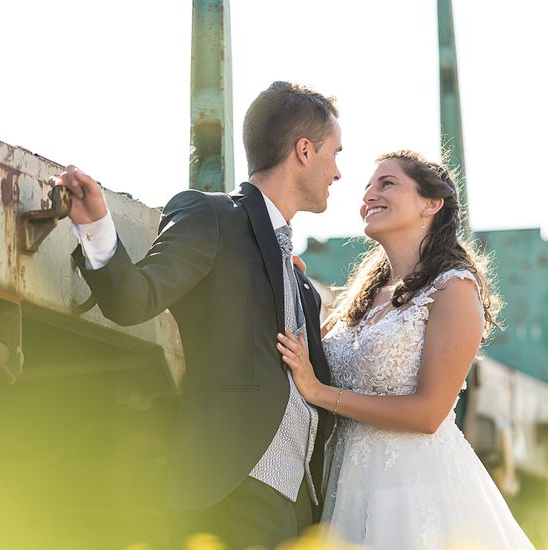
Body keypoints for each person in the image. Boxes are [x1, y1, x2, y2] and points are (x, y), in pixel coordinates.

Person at [55, 81, 342, 549]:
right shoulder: (210, 217)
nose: (339, 171)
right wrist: (97, 229)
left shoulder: (300, 279)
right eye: (335, 153)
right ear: (304, 151)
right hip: (231, 488)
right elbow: (135, 300)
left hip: (298, 507)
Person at [276, 150, 536, 549]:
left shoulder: (453, 289)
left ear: (431, 204)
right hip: (347, 487)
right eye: (367, 188)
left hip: (413, 491)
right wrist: (289, 277)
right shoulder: (361, 299)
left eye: (387, 184)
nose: (369, 196)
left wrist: (320, 393)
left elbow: (429, 413)